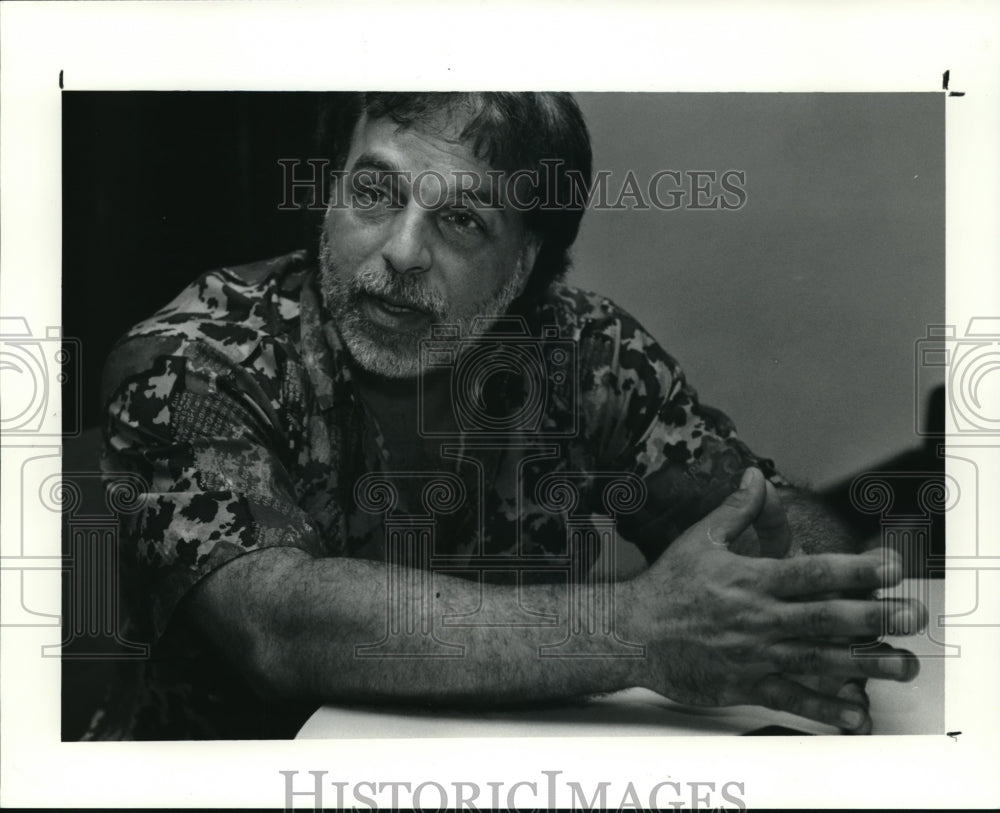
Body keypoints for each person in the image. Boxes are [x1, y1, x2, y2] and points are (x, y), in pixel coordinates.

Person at [87, 92, 924, 741]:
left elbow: (763, 518)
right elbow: (277, 626)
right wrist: (636, 630)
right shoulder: (197, 354)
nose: (402, 253)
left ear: (525, 264)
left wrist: (812, 589)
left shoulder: (581, 351)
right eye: (375, 191)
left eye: (460, 219)